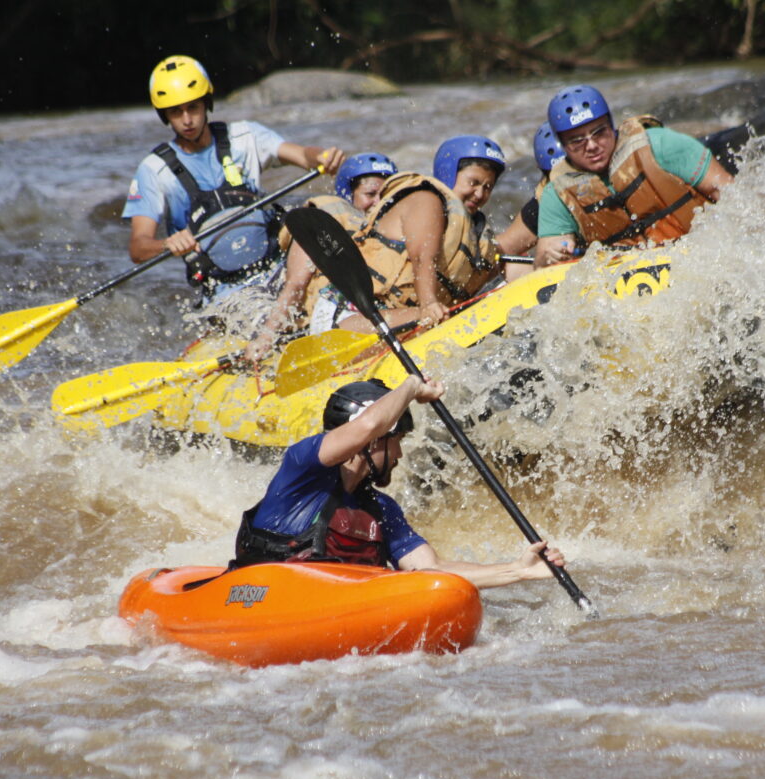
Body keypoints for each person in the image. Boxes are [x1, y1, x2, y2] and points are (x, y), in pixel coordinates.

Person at [229, 377, 566, 589]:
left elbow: (431, 569)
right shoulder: (302, 470)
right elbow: (366, 426)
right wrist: (411, 388)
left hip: (336, 607)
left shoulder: (381, 509)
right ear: (372, 442)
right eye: (397, 440)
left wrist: (517, 570)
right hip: (265, 593)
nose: (400, 454)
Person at [248, 135, 512, 349]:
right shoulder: (419, 201)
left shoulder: (472, 233)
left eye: (488, 187)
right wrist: (266, 338)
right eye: (473, 182)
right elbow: (423, 258)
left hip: (391, 313)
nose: (480, 193)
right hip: (345, 312)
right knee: (438, 319)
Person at [123, 55, 345, 300]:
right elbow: (138, 247)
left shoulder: (246, 136)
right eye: (176, 112)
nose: (187, 120)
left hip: (279, 268)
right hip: (222, 290)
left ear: (206, 103)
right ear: (165, 115)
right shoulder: (153, 170)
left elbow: (303, 155)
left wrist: (322, 157)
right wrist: (166, 244)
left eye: (193, 107)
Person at [534, 84, 734, 268]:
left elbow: (730, 194)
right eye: (577, 140)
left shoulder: (661, 145)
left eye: (599, 132)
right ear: (563, 145)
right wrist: (550, 255)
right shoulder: (557, 193)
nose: (592, 145)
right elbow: (544, 260)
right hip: (623, 274)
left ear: (611, 124)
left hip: (697, 254)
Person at [244, 153, 398, 361]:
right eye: (370, 194)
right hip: (330, 319)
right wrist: (266, 337)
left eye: (385, 194)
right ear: (349, 194)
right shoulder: (322, 225)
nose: (378, 202)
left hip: (370, 313)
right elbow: (295, 285)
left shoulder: (390, 232)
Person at [495, 122, 566, 257]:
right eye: (556, 177)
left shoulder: (609, 182)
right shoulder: (544, 203)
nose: (566, 185)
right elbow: (502, 248)